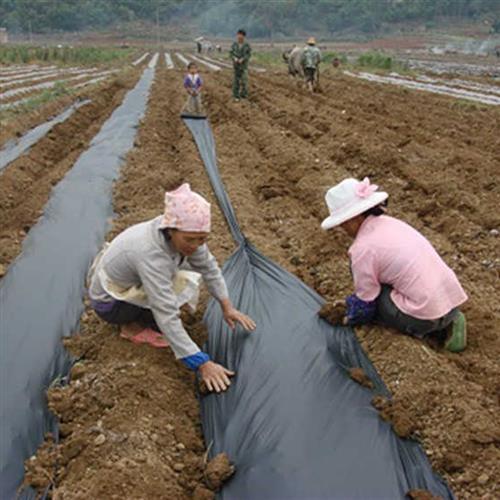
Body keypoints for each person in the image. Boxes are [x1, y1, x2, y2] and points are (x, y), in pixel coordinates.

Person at [88, 184, 256, 392]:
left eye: (202, 239)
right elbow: (165, 312)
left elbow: (210, 269)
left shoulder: (185, 235)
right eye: (189, 239)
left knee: (181, 278)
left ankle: (140, 316)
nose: (195, 245)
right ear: (170, 229)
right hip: (109, 302)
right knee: (169, 294)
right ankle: (129, 327)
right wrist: (202, 363)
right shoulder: (151, 254)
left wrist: (227, 306)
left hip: (130, 280)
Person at [320, 177, 468, 352]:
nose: (343, 229)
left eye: (343, 224)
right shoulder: (394, 224)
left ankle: (431, 330)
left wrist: (349, 316)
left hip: (426, 318)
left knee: (376, 300)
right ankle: (451, 319)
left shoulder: (362, 249)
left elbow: (365, 304)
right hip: (450, 302)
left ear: (353, 219)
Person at [230, 29, 252, 102]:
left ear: (244, 36)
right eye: (238, 35)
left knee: (244, 81)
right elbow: (231, 53)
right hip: (236, 66)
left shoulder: (247, 45)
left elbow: (248, 54)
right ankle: (236, 96)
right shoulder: (234, 45)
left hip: (243, 66)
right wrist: (234, 58)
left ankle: (244, 96)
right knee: (236, 81)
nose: (239, 36)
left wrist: (243, 59)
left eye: (241, 35)